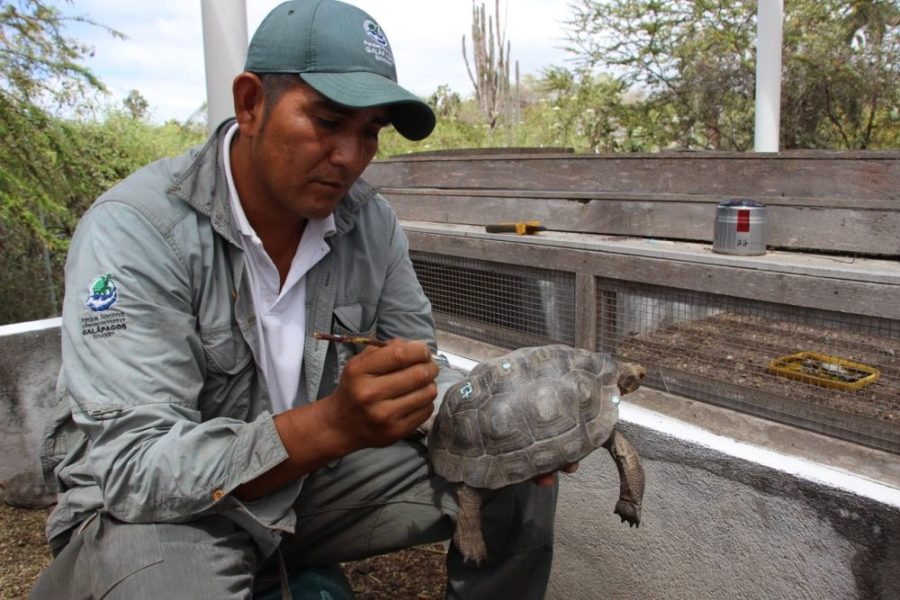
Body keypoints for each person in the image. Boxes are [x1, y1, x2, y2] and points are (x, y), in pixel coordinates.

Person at [31, 1, 558, 598]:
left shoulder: (368, 222)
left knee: (512, 460)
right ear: (251, 103)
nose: (350, 157)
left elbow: (418, 369)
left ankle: (283, 562)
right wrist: (330, 425)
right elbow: (138, 472)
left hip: (307, 483)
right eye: (328, 122)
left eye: (369, 132)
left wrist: (500, 414)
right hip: (158, 516)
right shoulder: (137, 231)